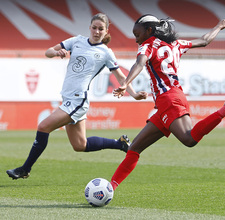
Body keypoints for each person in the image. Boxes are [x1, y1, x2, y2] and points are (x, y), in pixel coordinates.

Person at [110, 14, 225, 191]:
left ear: (149, 30)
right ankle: (110, 188)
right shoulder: (175, 44)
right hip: (170, 100)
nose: (136, 39)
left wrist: (125, 83)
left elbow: (140, 64)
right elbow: (204, 41)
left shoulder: (147, 46)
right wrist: (219, 26)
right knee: (134, 149)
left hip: (168, 99)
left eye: (137, 34)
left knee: (189, 138)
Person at [6, 13, 147, 180]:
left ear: (106, 31)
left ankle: (25, 169)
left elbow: (121, 77)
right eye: (94, 28)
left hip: (78, 100)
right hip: (68, 99)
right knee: (80, 145)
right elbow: (48, 51)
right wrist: (57, 53)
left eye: (100, 29)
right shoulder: (76, 41)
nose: (96, 31)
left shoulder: (106, 53)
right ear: (89, 28)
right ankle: (119, 143)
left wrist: (134, 94)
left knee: (43, 127)